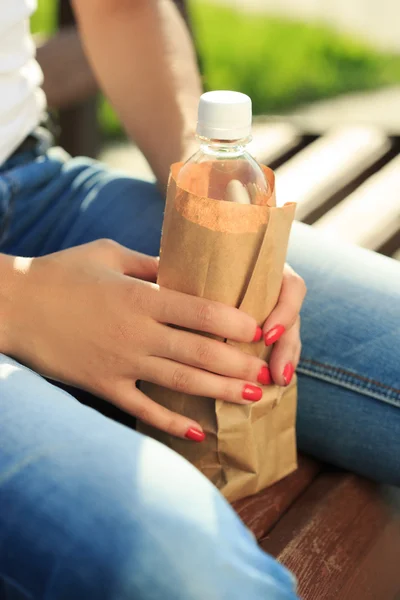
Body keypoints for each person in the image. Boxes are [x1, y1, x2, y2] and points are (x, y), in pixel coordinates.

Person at [0, 1, 399, 599]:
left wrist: (213, 206)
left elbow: (120, 8)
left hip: (34, 188)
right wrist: (19, 303)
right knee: (186, 571)